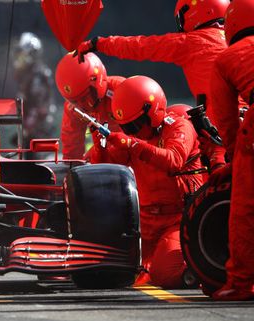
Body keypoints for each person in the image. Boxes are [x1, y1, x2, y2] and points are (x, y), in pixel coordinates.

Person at [75, 0, 230, 170]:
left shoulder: (191, 43)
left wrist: (98, 43)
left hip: (222, 129)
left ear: (191, 14)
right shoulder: (238, 40)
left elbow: (140, 46)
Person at [89, 75, 204, 289]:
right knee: (103, 270)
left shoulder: (179, 127)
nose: (132, 131)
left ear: (152, 110)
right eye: (126, 127)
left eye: (135, 124)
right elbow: (108, 171)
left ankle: (196, 265)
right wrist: (100, 147)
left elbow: (173, 160)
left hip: (177, 219)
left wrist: (133, 145)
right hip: (144, 222)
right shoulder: (134, 139)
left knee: (166, 273)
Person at [206, 0, 254, 301]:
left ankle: (241, 283)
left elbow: (225, 118)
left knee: (245, 209)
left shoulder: (227, 59)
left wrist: (237, 160)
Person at [55, 52, 124, 160]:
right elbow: (71, 154)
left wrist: (93, 155)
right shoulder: (73, 109)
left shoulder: (122, 91)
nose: (83, 106)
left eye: (85, 97)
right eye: (75, 101)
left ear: (97, 81)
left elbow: (139, 141)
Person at [13, 32, 57, 142]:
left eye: (22, 55)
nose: (19, 58)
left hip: (38, 132)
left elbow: (39, 106)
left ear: (30, 55)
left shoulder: (38, 76)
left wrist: (28, 128)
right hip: (31, 129)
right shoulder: (28, 75)